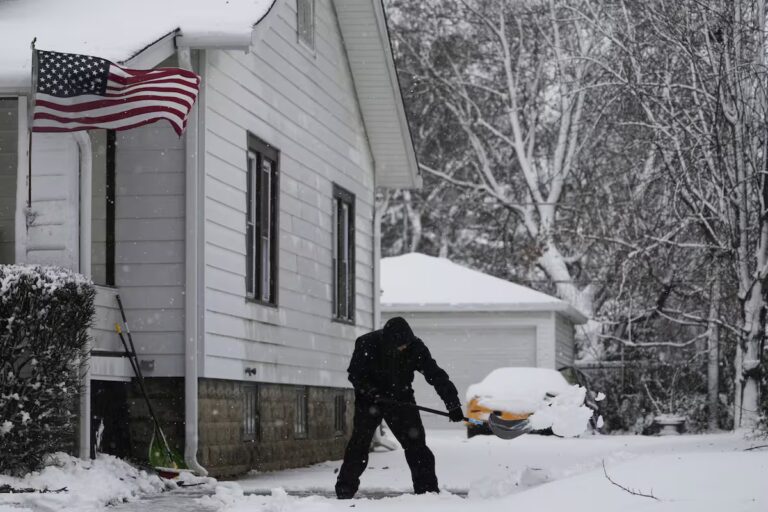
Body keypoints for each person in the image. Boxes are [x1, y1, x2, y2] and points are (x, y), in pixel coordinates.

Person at [335, 316, 464, 499]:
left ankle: (427, 492)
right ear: (389, 341)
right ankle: (345, 489)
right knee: (359, 443)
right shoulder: (367, 343)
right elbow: (355, 374)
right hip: (369, 400)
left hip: (401, 399)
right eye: (400, 345)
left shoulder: (415, 347)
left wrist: (453, 403)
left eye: (406, 344)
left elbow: (436, 375)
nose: (404, 348)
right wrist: (372, 392)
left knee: (417, 444)